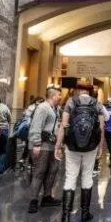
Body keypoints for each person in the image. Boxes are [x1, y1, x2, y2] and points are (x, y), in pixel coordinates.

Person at [54, 81, 105, 222]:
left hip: (72, 146)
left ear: (77, 90)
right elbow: (101, 127)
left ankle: (65, 219)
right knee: (87, 177)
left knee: (70, 178)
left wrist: (58, 145)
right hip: (90, 146)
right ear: (90, 91)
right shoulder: (97, 104)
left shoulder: (71, 102)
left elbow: (64, 125)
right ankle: (84, 213)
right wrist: (100, 147)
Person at [27, 86, 63, 214]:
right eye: (59, 94)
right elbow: (36, 126)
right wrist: (36, 143)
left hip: (51, 145)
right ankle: (34, 200)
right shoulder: (43, 108)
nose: (61, 97)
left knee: (52, 170)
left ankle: (47, 197)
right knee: (39, 171)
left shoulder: (55, 108)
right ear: (53, 96)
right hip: (41, 145)